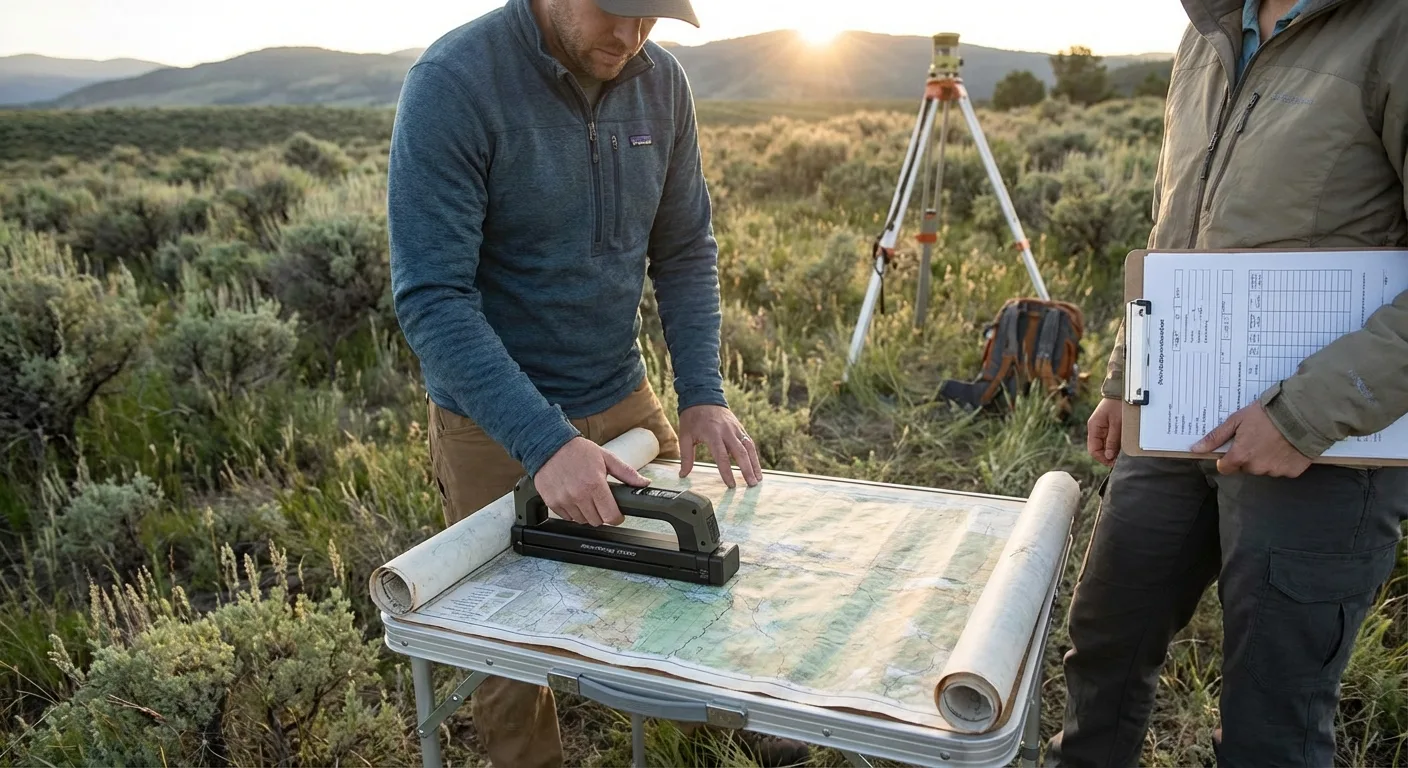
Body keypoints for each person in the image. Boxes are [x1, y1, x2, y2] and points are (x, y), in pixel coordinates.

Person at [386, 0, 811, 765]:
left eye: (652, 17)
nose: (631, 35)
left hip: (622, 398)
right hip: (495, 420)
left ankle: (714, 733)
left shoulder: (663, 83)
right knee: (509, 648)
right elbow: (432, 297)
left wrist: (703, 392)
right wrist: (545, 442)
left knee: (688, 581)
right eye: (614, 10)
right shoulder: (455, 82)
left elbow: (684, 250)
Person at [1046, 0, 1408, 766]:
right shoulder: (1209, 30)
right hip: (1175, 408)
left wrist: (1304, 415)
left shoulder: (1392, 29)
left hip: (1323, 448)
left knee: (1270, 719)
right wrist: (1124, 375)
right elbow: (1172, 228)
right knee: (1107, 641)